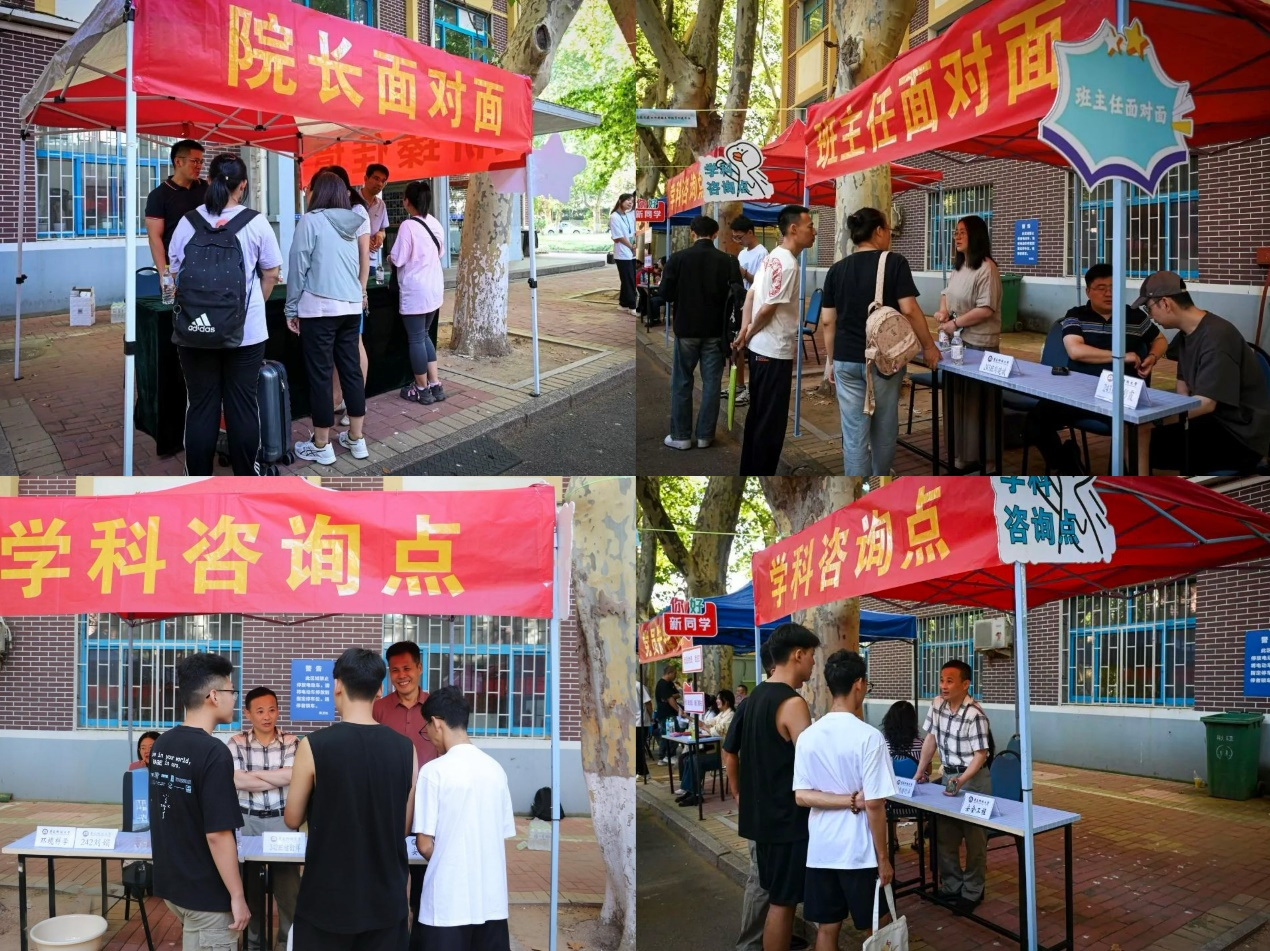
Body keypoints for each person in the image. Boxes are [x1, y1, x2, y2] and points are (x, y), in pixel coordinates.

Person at [285, 648, 417, 951]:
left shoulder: (313, 745)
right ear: (380, 689)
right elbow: (403, 826)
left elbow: (292, 818)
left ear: (337, 685)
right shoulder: (405, 748)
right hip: (386, 896)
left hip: (327, 898)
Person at [167, 153, 282, 476]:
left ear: (209, 181)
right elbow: (271, 273)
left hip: (194, 330)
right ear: (242, 185)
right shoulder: (256, 223)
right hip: (245, 332)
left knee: (201, 404)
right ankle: (245, 478)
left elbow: (174, 273)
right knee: (242, 404)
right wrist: (248, 308)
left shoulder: (188, 222)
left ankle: (197, 479)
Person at [820, 207, 942, 476]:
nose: (889, 235)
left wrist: (831, 360)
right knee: (884, 428)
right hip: (883, 363)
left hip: (845, 361)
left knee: (854, 435)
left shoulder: (836, 269)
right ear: (878, 231)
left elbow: (828, 321)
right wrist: (929, 346)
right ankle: (881, 481)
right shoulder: (894, 262)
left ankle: (858, 488)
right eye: (888, 230)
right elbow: (909, 309)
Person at [723, 623, 820, 951]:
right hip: (785, 821)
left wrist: (738, 792)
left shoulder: (753, 699)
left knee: (775, 896)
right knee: (783, 902)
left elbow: (733, 751)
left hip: (762, 819)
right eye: (811, 655)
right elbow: (811, 765)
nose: (813, 663)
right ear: (798, 654)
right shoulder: (792, 703)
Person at [793, 650, 896, 947]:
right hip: (860, 852)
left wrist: (847, 800)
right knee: (877, 927)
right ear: (859, 684)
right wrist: (883, 858)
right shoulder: (869, 737)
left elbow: (801, 796)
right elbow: (874, 804)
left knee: (827, 928)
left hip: (821, 849)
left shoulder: (808, 736)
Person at [1025, 263, 1169, 474]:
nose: (1108, 293)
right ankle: (1067, 463)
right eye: (1101, 288)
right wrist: (1121, 357)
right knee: (1035, 422)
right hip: (1078, 392)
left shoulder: (1134, 316)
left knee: (1128, 428)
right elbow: (1076, 351)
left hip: (1118, 396)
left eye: (1113, 287)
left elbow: (1160, 340)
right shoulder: (1076, 315)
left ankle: (1118, 480)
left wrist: (1153, 357)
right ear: (1088, 291)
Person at [148, 653, 249, 951]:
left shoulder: (162, 743)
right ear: (214, 696)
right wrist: (238, 896)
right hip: (206, 896)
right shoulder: (214, 752)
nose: (234, 699)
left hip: (173, 887)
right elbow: (218, 834)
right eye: (232, 691)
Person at [411, 686, 517, 951]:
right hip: (491, 901)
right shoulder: (496, 770)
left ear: (436, 723)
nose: (429, 737)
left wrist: (449, 858)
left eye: (426, 729)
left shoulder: (433, 772)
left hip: (446, 903)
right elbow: (501, 834)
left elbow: (424, 844)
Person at [1133, 271, 1270, 475]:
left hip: (1239, 434)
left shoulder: (1216, 337)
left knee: (1139, 436)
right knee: (1135, 432)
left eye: (1149, 308)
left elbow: (1206, 403)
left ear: (1165, 303)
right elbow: (1182, 390)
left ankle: (1144, 491)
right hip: (1212, 420)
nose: (1150, 316)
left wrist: (1156, 419)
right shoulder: (1187, 333)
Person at [285, 171, 370, 465]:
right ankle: (356, 439)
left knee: (321, 376)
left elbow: (298, 266)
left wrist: (291, 308)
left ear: (317, 192)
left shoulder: (311, 220)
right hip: (351, 307)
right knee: (351, 372)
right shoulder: (353, 223)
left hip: (319, 309)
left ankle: (321, 444)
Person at [736, 206, 818, 476]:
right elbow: (767, 308)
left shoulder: (772, 257)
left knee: (758, 417)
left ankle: (749, 468)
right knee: (770, 426)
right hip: (772, 353)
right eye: (810, 225)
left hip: (760, 351)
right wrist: (748, 331)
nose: (814, 231)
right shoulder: (788, 264)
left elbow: (751, 296)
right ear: (793, 229)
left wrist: (745, 331)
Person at [658, 215, 743, 450]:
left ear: (692, 233)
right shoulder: (728, 261)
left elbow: (665, 294)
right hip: (716, 331)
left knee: (682, 382)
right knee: (712, 383)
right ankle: (706, 436)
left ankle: (681, 436)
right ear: (715, 235)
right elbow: (738, 296)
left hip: (686, 329)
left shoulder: (677, 259)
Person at [914, 660, 992, 915]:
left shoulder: (975, 714)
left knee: (975, 839)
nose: (943, 686)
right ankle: (951, 886)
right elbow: (931, 739)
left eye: (950, 681)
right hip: (948, 775)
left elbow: (981, 754)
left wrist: (962, 779)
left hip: (973, 779)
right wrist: (921, 770)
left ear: (965, 684)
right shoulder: (937, 705)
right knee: (944, 835)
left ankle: (973, 891)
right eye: (942, 680)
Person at [373, 641, 440, 924]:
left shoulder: (436, 707)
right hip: (388, 805)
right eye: (395, 670)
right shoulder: (378, 709)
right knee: (389, 872)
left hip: (429, 804)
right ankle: (393, 930)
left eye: (407, 668)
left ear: (419, 668)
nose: (401, 675)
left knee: (425, 875)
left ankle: (421, 931)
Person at [229, 688, 300, 951]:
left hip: (283, 820)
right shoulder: (236, 742)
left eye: (272, 710)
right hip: (247, 821)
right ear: (247, 714)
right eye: (259, 711)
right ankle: (254, 943)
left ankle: (286, 943)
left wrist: (252, 778)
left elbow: (293, 776)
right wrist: (278, 776)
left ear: (278, 711)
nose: (267, 716)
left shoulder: (292, 741)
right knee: (251, 888)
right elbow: (235, 780)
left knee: (288, 889)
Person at [932, 215, 1002, 471]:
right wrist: (943, 311)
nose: (957, 236)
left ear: (977, 235)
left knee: (978, 403)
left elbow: (986, 308)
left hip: (979, 344)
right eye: (956, 232)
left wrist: (955, 322)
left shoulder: (987, 268)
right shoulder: (959, 267)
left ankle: (987, 458)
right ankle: (961, 452)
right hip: (957, 344)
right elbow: (946, 293)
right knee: (957, 399)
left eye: (963, 232)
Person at [316, 166, 371, 428]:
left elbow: (364, 254)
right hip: (334, 293)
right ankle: (337, 399)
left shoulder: (357, 211)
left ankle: (354, 405)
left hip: (351, 293)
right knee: (340, 351)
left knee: (354, 348)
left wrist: (362, 289)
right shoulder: (326, 212)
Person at [392, 180, 448, 406]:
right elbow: (440, 253)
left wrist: (389, 258)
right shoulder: (435, 223)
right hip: (434, 287)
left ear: (407, 201)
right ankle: (435, 384)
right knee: (424, 335)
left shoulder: (408, 226)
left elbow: (398, 258)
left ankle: (422, 389)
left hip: (416, 290)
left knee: (416, 338)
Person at [145, 139, 207, 279]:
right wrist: (164, 275)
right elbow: (155, 238)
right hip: (175, 268)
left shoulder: (207, 190)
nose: (199, 166)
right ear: (178, 161)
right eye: (194, 161)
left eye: (201, 162)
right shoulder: (158, 195)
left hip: (206, 264)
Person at [727, 216, 769, 407]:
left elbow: (760, 284)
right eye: (734, 237)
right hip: (739, 304)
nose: (737, 240)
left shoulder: (763, 253)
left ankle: (750, 389)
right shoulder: (742, 253)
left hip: (753, 305)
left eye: (739, 237)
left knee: (751, 348)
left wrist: (743, 273)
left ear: (750, 232)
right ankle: (739, 385)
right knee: (736, 346)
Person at [676, 689, 735, 807]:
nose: (716, 701)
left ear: (726, 701)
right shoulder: (721, 714)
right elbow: (706, 723)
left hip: (723, 754)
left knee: (695, 759)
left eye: (719, 698)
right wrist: (688, 717)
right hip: (713, 749)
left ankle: (696, 794)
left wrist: (704, 726)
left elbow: (716, 731)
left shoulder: (730, 715)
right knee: (687, 758)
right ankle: (690, 791)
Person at [610, 194, 638, 315]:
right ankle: (632, 306)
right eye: (628, 200)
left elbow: (632, 233)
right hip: (622, 254)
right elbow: (619, 237)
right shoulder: (614, 217)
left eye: (632, 201)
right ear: (620, 201)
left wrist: (634, 246)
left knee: (628, 279)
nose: (630, 203)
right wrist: (631, 246)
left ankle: (623, 304)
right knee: (629, 280)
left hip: (631, 253)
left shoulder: (628, 215)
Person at [360, 163, 390, 273]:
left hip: (371, 261)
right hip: (352, 259)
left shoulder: (381, 205)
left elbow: (383, 230)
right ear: (366, 178)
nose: (379, 184)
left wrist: (380, 234)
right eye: (376, 178)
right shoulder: (351, 201)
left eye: (383, 181)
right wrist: (362, 241)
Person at [654, 664, 682, 764]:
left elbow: (677, 695)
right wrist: (678, 710)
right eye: (674, 674)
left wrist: (670, 696)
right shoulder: (662, 685)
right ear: (669, 673)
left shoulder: (670, 684)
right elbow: (670, 700)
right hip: (666, 715)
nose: (675, 676)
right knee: (673, 734)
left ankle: (663, 756)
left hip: (670, 714)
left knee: (667, 735)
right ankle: (669, 755)